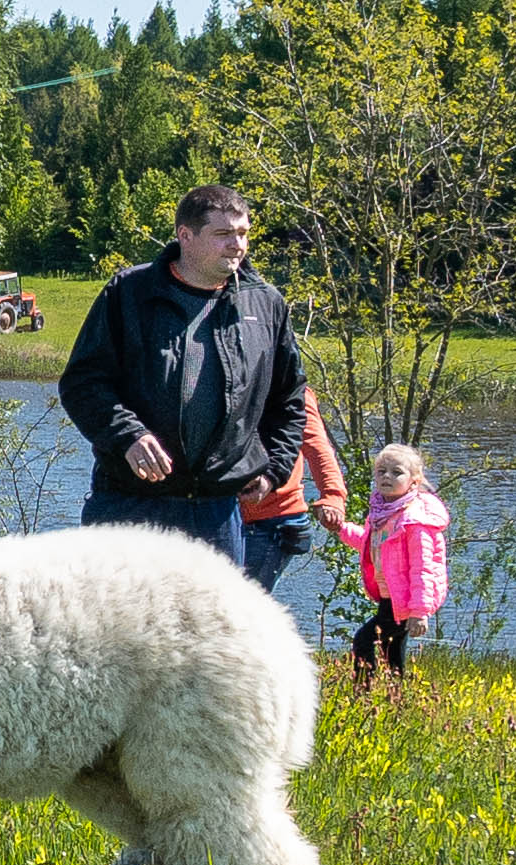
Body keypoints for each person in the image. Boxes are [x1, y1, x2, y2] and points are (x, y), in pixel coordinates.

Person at [52, 184, 308, 564]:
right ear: (185, 236)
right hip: (128, 503)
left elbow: (289, 399)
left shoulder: (266, 304)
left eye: (243, 233)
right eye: (223, 234)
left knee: (210, 626)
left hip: (216, 513)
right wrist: (129, 437)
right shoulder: (129, 293)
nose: (237, 245)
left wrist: (273, 469)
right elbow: (83, 384)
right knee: (117, 624)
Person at [326, 443, 453, 698]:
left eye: (397, 473)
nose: (387, 477)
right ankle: (396, 700)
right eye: (381, 471)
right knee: (390, 651)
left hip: (405, 603)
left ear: (414, 482)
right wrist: (339, 528)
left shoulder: (415, 521)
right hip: (389, 598)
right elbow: (368, 543)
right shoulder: (383, 513)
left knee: (364, 640)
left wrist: (419, 612)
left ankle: (361, 695)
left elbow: (423, 569)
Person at [240, 381, 348, 599]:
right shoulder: (228, 379)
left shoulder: (293, 390)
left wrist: (332, 496)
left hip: (273, 520)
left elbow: (318, 447)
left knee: (241, 607)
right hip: (223, 515)